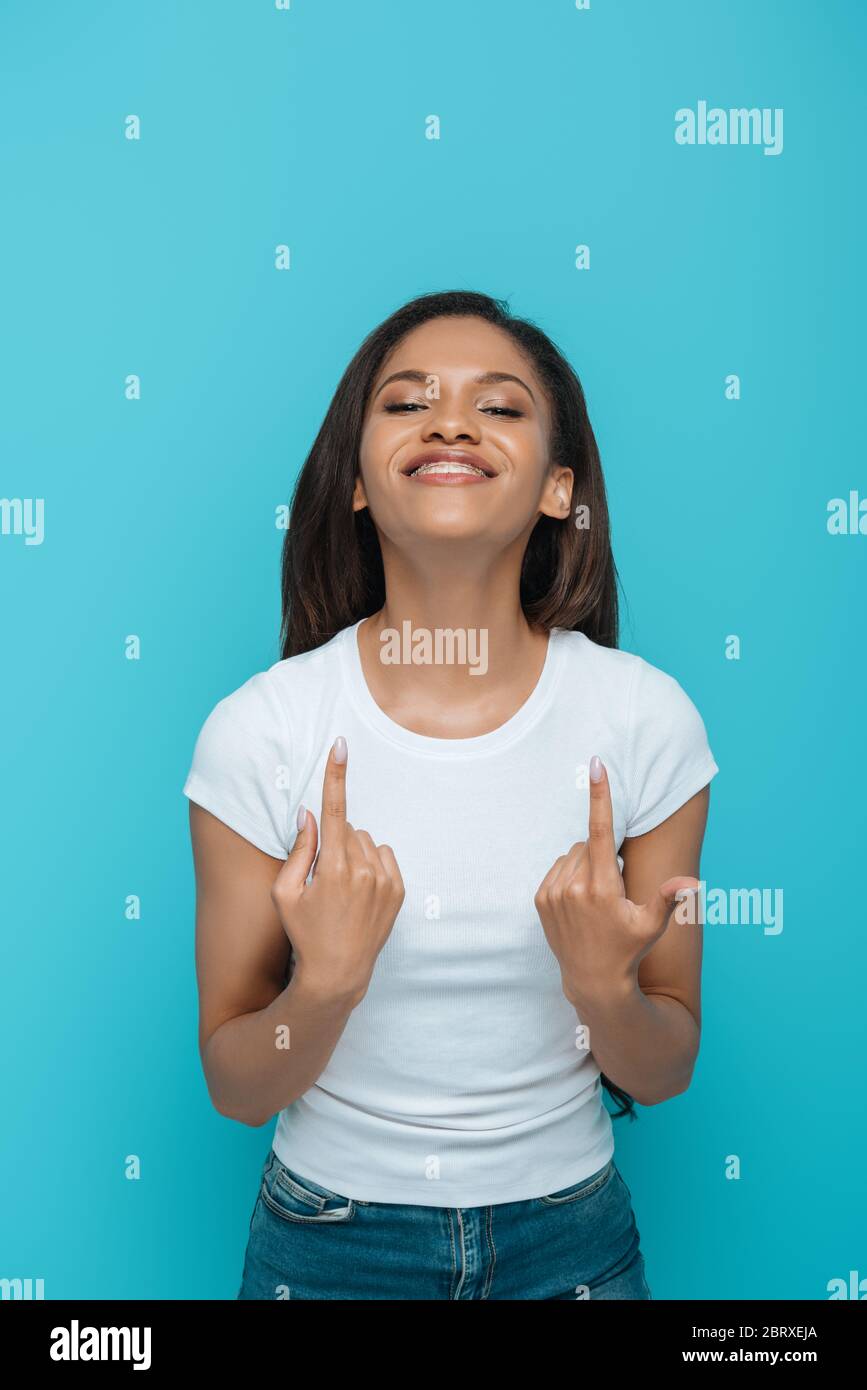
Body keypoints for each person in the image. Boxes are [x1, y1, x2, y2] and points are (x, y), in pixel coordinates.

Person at [184, 290, 719, 1299]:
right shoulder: (258, 734)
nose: (451, 421)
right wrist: (327, 984)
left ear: (560, 489)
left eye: (501, 406)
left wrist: (605, 987)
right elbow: (235, 1082)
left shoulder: (650, 722)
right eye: (407, 402)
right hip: (330, 1245)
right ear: (353, 482)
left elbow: (666, 1064)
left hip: (572, 1246)